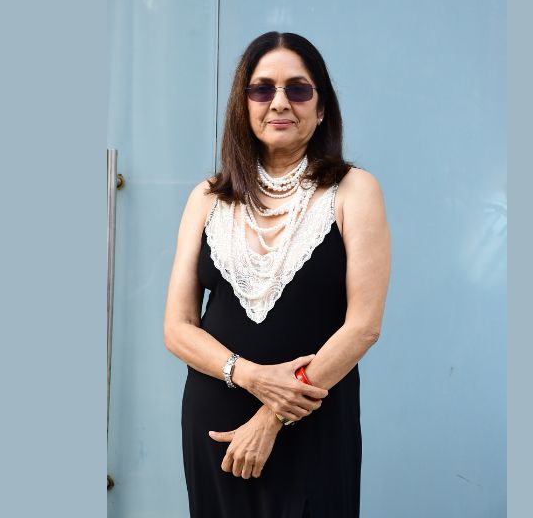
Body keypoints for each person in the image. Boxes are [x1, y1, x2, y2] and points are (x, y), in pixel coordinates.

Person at [163, 31, 391, 518]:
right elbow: (177, 328)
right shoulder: (206, 198)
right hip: (215, 430)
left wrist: (272, 416)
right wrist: (251, 376)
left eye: (299, 89)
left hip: (311, 427)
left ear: (321, 108)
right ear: (243, 105)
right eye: (262, 89)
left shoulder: (354, 191)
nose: (280, 102)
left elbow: (364, 327)